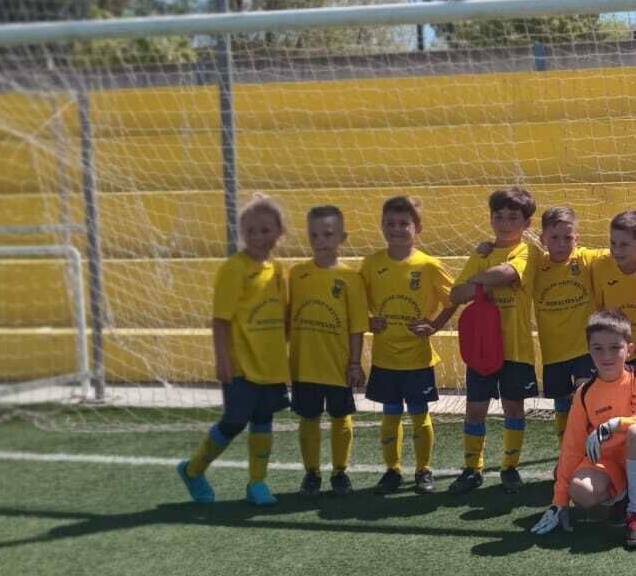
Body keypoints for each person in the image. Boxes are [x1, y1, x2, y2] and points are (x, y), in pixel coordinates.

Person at [177, 194, 290, 506]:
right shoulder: (233, 269)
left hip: (270, 364)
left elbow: (283, 316)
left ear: (280, 232)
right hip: (241, 364)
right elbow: (220, 319)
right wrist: (223, 358)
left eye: (265, 230)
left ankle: (257, 482)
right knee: (235, 420)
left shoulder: (279, 270)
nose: (257, 237)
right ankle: (193, 469)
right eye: (250, 231)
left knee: (264, 419)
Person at [530, 310, 636, 550]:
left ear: (629, 349)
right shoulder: (584, 393)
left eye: (615, 348)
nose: (606, 356)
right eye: (598, 348)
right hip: (606, 461)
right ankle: (622, 495)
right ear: (589, 350)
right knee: (581, 492)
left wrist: (618, 424)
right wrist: (559, 501)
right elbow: (572, 446)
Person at [359, 195, 456, 493]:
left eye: (404, 224)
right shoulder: (371, 264)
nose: (397, 229)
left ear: (418, 228)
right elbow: (356, 301)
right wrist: (367, 320)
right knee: (390, 415)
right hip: (385, 358)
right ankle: (393, 470)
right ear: (382, 226)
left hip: (417, 358)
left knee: (419, 414)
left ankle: (423, 470)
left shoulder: (428, 265)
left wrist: (435, 325)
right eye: (390, 223)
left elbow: (454, 298)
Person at [448, 187, 538, 493]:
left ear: (526, 223)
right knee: (475, 409)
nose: (505, 223)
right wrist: (485, 279)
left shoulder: (528, 251)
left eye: (513, 217)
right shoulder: (480, 253)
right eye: (499, 216)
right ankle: (472, 468)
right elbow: (455, 294)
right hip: (482, 348)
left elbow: (506, 272)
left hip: (515, 349)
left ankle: (510, 468)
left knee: (514, 408)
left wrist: (477, 283)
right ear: (490, 219)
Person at [287, 205, 368, 497]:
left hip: (338, 364)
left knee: (340, 416)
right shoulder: (296, 274)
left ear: (342, 238)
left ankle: (339, 472)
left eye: (328, 234)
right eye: (314, 235)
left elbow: (357, 326)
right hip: (305, 365)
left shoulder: (351, 278)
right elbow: (286, 319)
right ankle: (312, 473)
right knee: (309, 418)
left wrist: (355, 363)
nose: (320, 240)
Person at [530, 206, 604, 441]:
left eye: (568, 238)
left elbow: (619, 252)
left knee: (586, 395)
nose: (562, 244)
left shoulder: (585, 258)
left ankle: (592, 450)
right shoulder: (535, 264)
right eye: (554, 238)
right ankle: (567, 452)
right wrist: (487, 248)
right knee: (561, 403)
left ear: (577, 238)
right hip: (553, 352)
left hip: (585, 348)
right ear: (543, 239)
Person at [591, 209, 636, 368]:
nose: (617, 250)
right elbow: (599, 309)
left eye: (624, 245)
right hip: (612, 351)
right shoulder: (600, 267)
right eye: (613, 243)